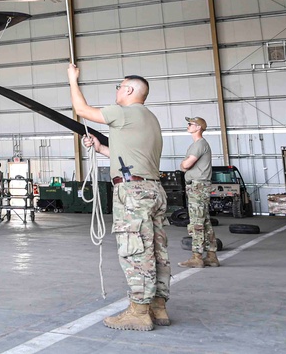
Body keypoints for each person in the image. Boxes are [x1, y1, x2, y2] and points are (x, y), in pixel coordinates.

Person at [69, 65, 170, 331]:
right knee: (157, 251)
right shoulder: (148, 118)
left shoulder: (123, 113)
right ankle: (158, 307)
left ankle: (138, 311)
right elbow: (128, 156)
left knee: (135, 250)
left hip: (133, 193)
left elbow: (82, 111)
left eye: (119, 86)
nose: (116, 91)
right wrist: (101, 147)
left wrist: (72, 79)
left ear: (128, 90)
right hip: (153, 190)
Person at [180, 116, 218, 268]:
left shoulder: (199, 144)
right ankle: (211, 255)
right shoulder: (198, 144)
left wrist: (183, 165)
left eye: (191, 124)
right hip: (198, 186)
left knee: (196, 222)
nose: (188, 126)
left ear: (198, 127)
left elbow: (187, 164)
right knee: (205, 221)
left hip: (197, 187)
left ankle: (197, 256)